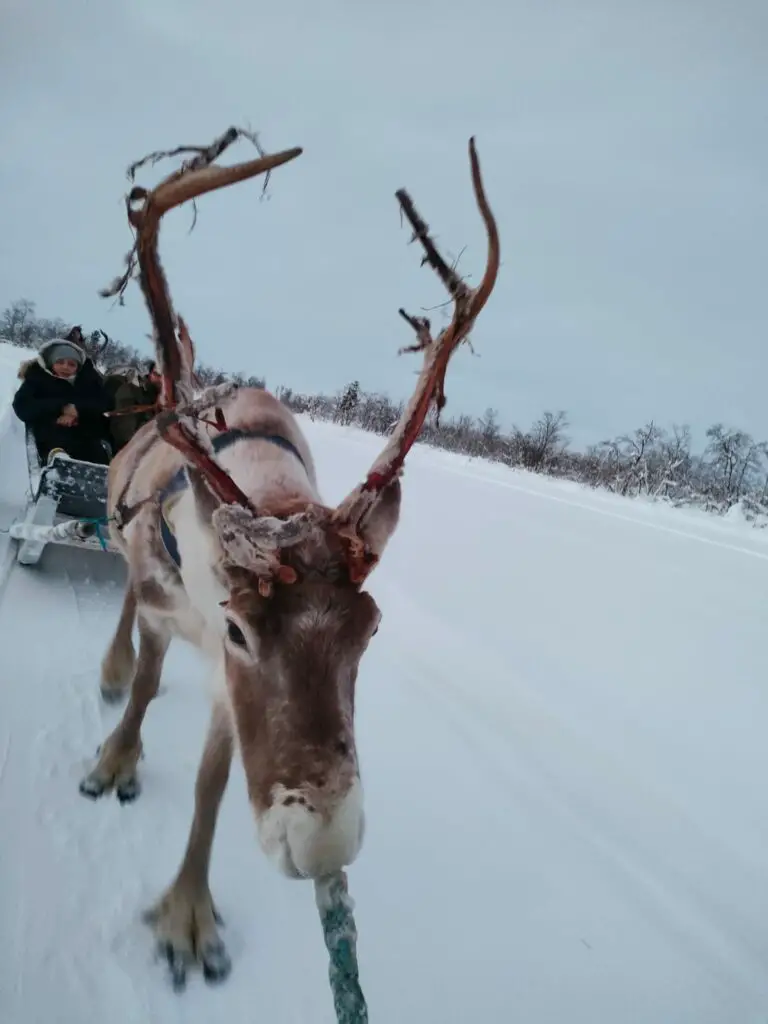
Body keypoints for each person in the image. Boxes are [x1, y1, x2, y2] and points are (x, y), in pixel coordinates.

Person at [13, 338, 113, 465]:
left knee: (94, 449)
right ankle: (59, 461)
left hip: (85, 432)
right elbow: (23, 407)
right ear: (51, 362)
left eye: (72, 364)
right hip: (51, 431)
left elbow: (105, 404)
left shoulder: (89, 382)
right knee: (55, 437)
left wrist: (77, 411)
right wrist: (61, 408)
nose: (66, 367)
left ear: (78, 367)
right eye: (60, 362)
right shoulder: (37, 379)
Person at [109, 360, 162, 452]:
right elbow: (124, 435)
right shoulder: (131, 391)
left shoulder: (170, 401)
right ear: (150, 374)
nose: (162, 380)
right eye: (158, 375)